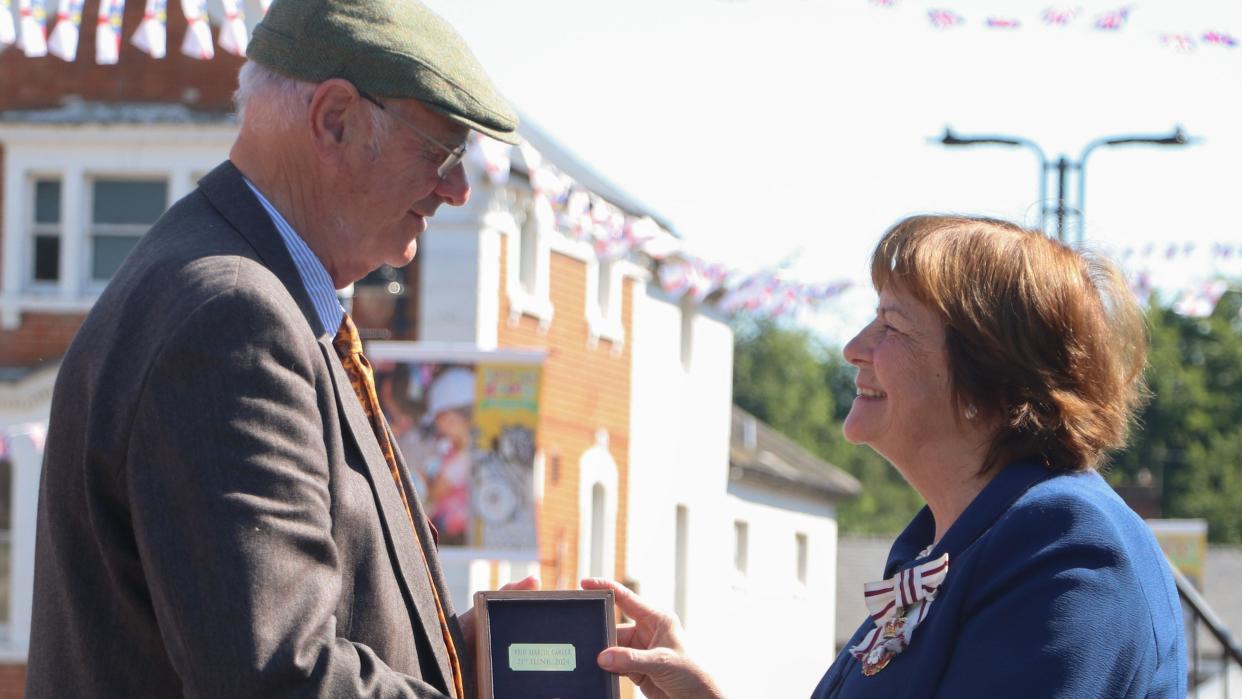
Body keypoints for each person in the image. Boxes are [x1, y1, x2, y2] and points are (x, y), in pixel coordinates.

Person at [26, 1, 535, 696]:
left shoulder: (241, 294)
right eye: (442, 150)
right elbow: (277, 675)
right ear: (335, 119)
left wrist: (444, 651)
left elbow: (274, 637)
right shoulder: (231, 317)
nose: (457, 188)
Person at [585, 214, 1187, 698]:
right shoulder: (945, 551)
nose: (853, 348)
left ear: (993, 384)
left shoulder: (1067, 548)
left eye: (892, 327)